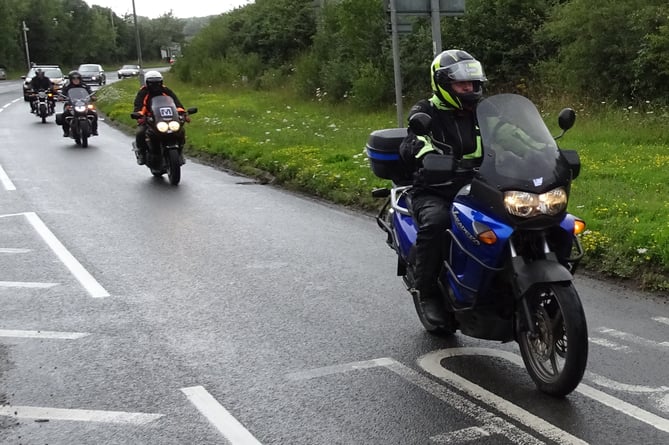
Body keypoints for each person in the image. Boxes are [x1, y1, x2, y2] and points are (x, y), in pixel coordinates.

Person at [399, 49, 487, 325]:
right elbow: (413, 141)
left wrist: (540, 149)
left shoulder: (482, 112)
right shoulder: (425, 111)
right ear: (444, 84)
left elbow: (511, 132)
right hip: (435, 188)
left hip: (478, 185)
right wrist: (427, 156)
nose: (469, 88)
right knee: (437, 222)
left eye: (472, 83)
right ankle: (427, 293)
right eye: (462, 83)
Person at [132, 70, 188, 165]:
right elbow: (139, 104)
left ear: (161, 82)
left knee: (180, 131)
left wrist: (182, 113)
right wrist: (139, 114)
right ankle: (141, 153)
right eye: (152, 83)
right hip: (149, 118)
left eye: (157, 82)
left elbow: (176, 102)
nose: (155, 85)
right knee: (140, 132)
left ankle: (180, 152)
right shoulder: (143, 92)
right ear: (147, 83)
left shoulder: (166, 90)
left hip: (167, 117)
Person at [60, 70, 98, 137]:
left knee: (94, 114)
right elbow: (63, 93)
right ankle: (66, 131)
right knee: (64, 115)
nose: (76, 80)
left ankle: (94, 130)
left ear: (80, 79)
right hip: (71, 103)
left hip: (83, 103)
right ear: (71, 79)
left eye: (77, 78)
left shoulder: (84, 86)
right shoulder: (67, 86)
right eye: (74, 78)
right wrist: (61, 97)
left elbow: (90, 92)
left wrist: (93, 96)